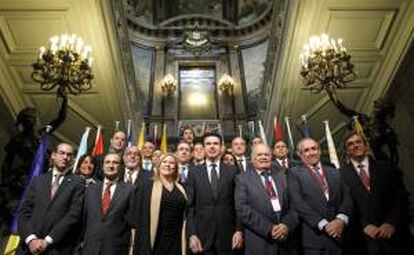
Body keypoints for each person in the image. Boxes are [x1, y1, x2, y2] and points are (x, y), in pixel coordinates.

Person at [340, 132, 411, 255]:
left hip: (397, 237)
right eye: (350, 144)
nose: (355, 146)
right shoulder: (340, 176)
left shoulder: (386, 167)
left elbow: (401, 198)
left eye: (358, 142)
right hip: (365, 243)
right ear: (347, 151)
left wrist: (391, 222)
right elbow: (344, 206)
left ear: (365, 145)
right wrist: (364, 226)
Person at [287, 138, 352, 255]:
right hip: (315, 239)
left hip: (340, 235)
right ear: (299, 154)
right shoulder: (294, 173)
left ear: (319, 151)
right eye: (306, 150)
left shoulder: (334, 171)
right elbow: (298, 203)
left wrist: (340, 219)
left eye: (314, 148)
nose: (311, 153)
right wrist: (324, 225)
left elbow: (347, 197)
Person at [18, 143, 84, 255]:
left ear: (72, 159)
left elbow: (73, 215)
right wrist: (31, 239)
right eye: (61, 153)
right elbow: (24, 212)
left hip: (55, 248)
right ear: (53, 155)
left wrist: (47, 241)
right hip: (28, 248)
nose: (65, 157)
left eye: (69, 155)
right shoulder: (38, 180)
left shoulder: (77, 183)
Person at [235, 143, 298, 255]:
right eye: (259, 155)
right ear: (253, 159)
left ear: (271, 157)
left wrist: (286, 225)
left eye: (266, 155)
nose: (263, 157)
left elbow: (294, 204)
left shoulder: (282, 176)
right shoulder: (242, 179)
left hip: (286, 242)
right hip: (260, 242)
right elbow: (242, 209)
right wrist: (269, 229)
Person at [187, 133, 243, 255]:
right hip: (202, 236)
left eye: (215, 143)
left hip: (228, 235)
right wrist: (191, 234)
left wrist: (239, 230)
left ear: (221, 147)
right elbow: (190, 207)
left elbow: (238, 204)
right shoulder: (193, 172)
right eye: (208, 144)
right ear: (203, 147)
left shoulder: (232, 170)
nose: (212, 147)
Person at [129, 153, 187, 255]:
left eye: (171, 163)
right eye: (164, 162)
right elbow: (137, 216)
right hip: (155, 238)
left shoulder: (181, 188)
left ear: (176, 167)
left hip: (176, 239)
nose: (168, 165)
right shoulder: (147, 186)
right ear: (159, 165)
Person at [80, 153, 134, 255]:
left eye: (115, 162)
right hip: (89, 248)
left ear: (121, 166)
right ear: (103, 166)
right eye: (107, 162)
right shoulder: (90, 189)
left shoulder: (129, 190)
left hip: (115, 249)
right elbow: (83, 219)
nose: (111, 165)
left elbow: (131, 222)